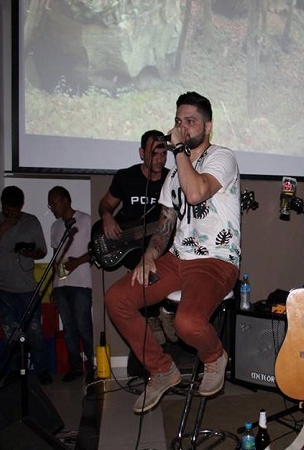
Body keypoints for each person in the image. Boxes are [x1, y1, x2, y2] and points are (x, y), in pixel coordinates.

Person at [105, 91, 241, 414]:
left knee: (187, 324)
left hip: (216, 260)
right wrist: (151, 253)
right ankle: (162, 369)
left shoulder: (223, 158)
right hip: (178, 258)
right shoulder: (172, 177)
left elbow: (194, 193)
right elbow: (166, 225)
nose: (181, 128)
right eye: (178, 121)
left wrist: (179, 149)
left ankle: (215, 356)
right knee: (117, 299)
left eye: (190, 121)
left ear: (208, 127)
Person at [97, 129, 175, 377]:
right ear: (142, 153)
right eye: (155, 154)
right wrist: (107, 217)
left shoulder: (172, 179)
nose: (160, 160)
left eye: (164, 154)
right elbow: (105, 204)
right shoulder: (126, 177)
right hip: (128, 246)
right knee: (140, 274)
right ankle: (154, 314)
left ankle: (162, 311)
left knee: (161, 266)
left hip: (158, 247)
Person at [0, 186, 53, 385]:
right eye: (7, 210)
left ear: (21, 206)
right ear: (2, 205)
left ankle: (42, 369)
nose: (11, 214)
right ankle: (13, 369)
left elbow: (42, 251)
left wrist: (30, 253)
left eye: (15, 210)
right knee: (11, 332)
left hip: (28, 288)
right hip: (4, 288)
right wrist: (2, 229)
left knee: (35, 331)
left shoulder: (31, 221)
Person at [47, 186, 94, 384]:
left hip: (82, 283)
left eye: (54, 203)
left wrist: (77, 261)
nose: (52, 208)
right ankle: (75, 366)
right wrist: (52, 286)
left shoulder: (86, 220)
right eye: (50, 205)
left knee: (84, 325)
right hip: (61, 284)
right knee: (69, 328)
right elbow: (56, 258)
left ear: (66, 200)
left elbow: (96, 251)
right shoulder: (55, 227)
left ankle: (92, 366)